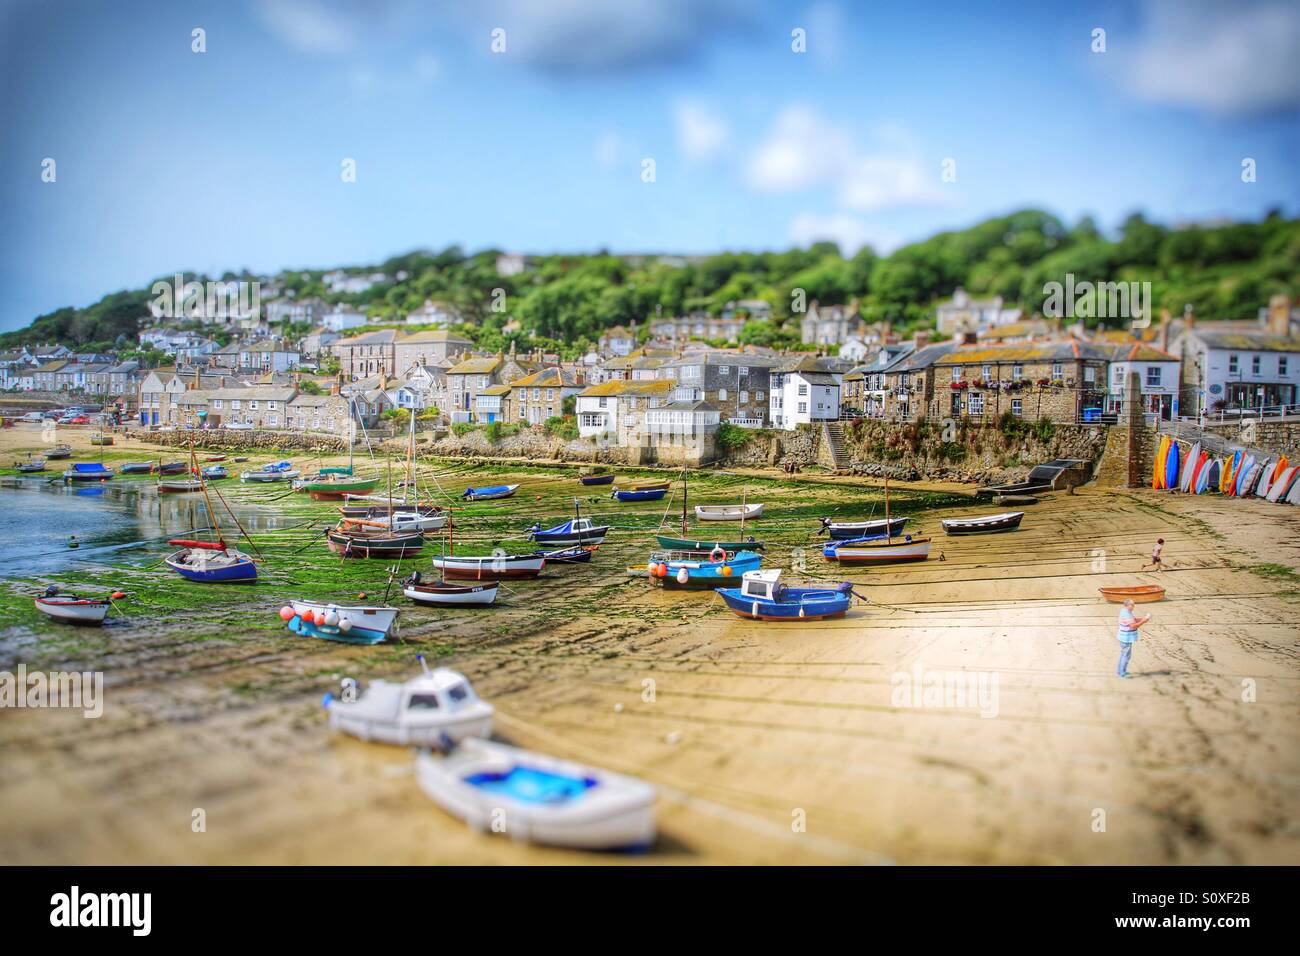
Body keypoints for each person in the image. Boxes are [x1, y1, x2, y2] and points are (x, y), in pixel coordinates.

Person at [1116, 598, 1151, 678]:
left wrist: (1143, 618)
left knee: (1123, 654)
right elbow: (1133, 626)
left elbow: (1134, 620)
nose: (1134, 606)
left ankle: (1120, 671)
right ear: (1127, 605)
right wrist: (1143, 621)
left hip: (1123, 637)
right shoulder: (1127, 614)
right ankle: (1122, 673)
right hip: (1126, 638)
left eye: (1134, 604)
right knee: (1126, 656)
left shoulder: (1125, 611)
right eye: (1132, 605)